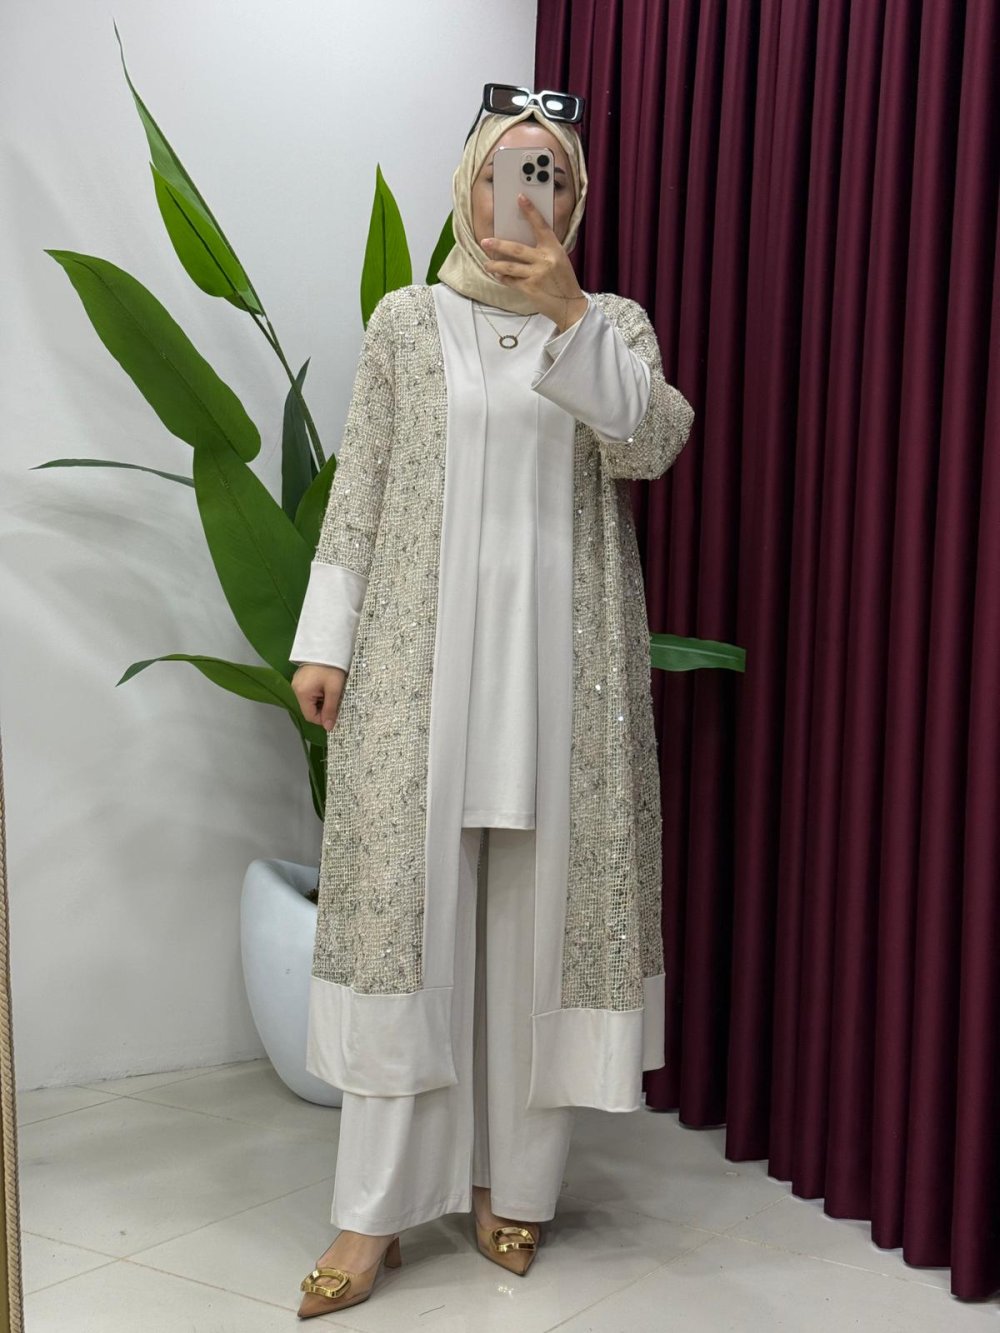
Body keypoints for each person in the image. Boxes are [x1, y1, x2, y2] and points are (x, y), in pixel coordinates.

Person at [289, 83, 695, 1319]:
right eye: (507, 170)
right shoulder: (407, 322)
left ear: (574, 200)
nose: (527, 193)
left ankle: (513, 1187)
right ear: (467, 185)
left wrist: (568, 311)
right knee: (407, 936)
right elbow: (361, 483)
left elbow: (650, 444)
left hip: (560, 680)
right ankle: (370, 1216)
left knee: (534, 933)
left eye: (551, 174)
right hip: (422, 671)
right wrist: (326, 642)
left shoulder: (610, 323)